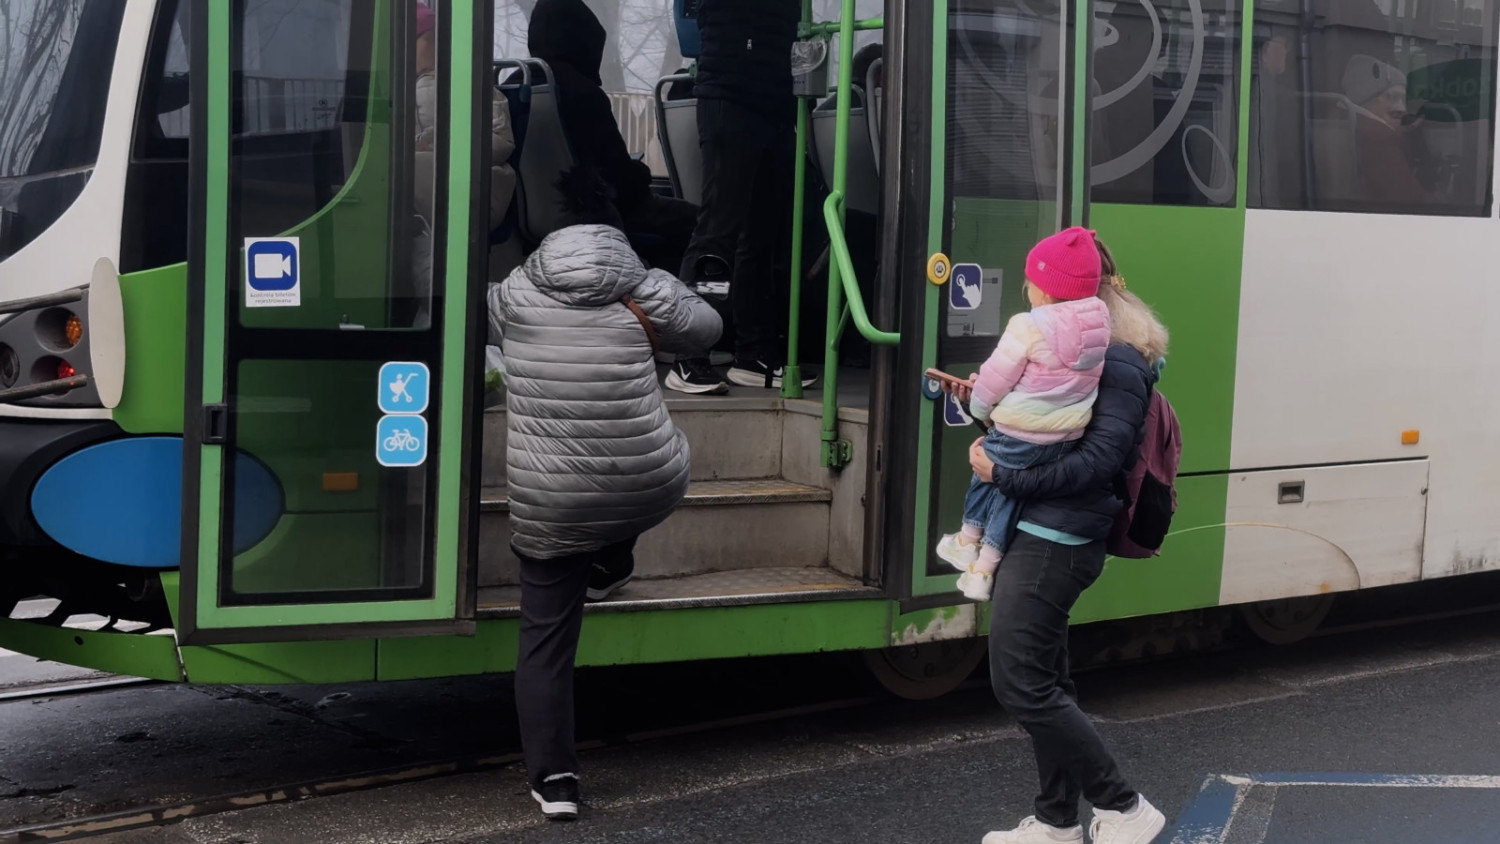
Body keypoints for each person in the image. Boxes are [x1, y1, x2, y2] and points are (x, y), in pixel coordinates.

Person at [492, 166, 722, 822]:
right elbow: (707, 331)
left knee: (545, 640)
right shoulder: (645, 287)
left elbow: (471, 308)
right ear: (620, 231)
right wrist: (669, 292)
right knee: (652, 476)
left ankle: (556, 783)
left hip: (550, 499)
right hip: (643, 482)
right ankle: (612, 560)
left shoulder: (515, 291)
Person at [947, 235, 1168, 844]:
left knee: (1019, 681)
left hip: (1058, 538)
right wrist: (990, 407)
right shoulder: (1075, 356)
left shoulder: (1118, 361)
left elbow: (1098, 461)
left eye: (1034, 283)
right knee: (1048, 679)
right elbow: (1050, 429)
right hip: (1039, 526)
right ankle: (1055, 823)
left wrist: (1004, 473)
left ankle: (1124, 808)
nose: (1030, 292)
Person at [936, 227, 1111, 601]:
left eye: (1030, 281)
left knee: (985, 472)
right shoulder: (1098, 327)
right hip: (1063, 438)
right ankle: (983, 569)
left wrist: (979, 404)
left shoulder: (1027, 326)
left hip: (1019, 433)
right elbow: (1049, 385)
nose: (1027, 289)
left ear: (1045, 289)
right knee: (1010, 494)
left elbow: (996, 379)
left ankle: (968, 542)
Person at [665, 0, 808, 395]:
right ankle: (689, 354)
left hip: (775, 101)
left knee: (761, 237)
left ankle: (754, 355)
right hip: (731, 95)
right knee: (718, 230)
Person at [527, 0, 698, 271]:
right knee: (699, 222)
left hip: (537, 218)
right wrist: (640, 174)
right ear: (583, 41)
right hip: (600, 213)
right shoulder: (582, 94)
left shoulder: (522, 84)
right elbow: (616, 176)